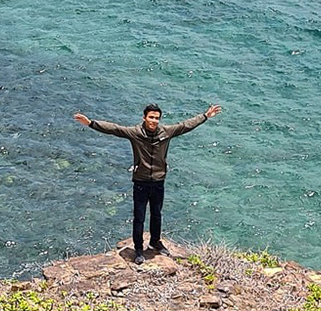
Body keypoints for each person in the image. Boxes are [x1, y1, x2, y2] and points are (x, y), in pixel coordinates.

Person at [74, 103, 221, 261]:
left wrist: (205, 116)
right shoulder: (135, 133)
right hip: (141, 182)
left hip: (158, 181)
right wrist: (91, 123)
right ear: (144, 118)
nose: (154, 121)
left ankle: (155, 242)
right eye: (151, 117)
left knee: (157, 214)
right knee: (139, 216)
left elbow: (185, 125)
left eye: (157, 118)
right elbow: (114, 128)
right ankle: (138, 249)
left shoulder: (166, 132)